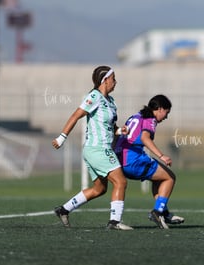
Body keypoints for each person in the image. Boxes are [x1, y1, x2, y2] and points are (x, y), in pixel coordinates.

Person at [52, 65, 132, 230]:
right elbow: (76, 115)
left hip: (97, 149)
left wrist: (119, 130)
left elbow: (109, 126)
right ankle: (114, 222)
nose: (115, 82)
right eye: (113, 78)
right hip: (98, 149)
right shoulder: (94, 96)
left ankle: (64, 209)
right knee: (121, 182)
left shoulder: (110, 101)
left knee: (100, 189)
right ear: (104, 80)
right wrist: (62, 138)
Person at [113, 94, 184, 229]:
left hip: (121, 160)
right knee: (170, 178)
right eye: (166, 113)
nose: (166, 117)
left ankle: (164, 212)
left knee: (159, 179)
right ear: (160, 109)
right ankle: (157, 212)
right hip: (133, 160)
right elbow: (145, 138)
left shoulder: (136, 116)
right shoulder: (150, 119)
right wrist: (161, 156)